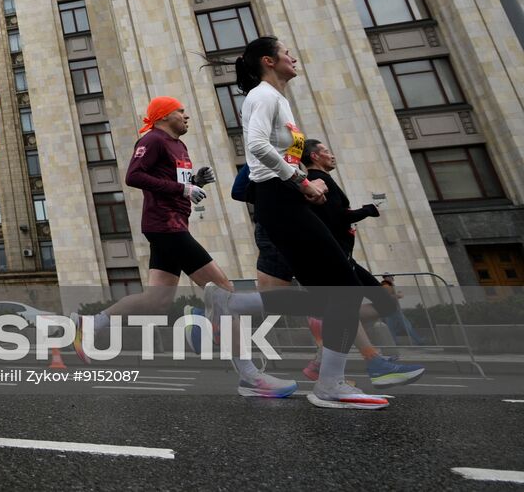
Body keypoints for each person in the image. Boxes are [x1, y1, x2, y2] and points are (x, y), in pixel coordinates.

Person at [203, 37, 388, 410]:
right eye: (287, 52)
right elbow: (255, 146)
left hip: (286, 199)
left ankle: (233, 304)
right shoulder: (263, 95)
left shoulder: (278, 98)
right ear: (269, 61)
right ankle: (330, 385)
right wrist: (301, 180)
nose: (294, 56)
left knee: (328, 297)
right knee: (346, 292)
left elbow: (274, 150)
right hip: (278, 200)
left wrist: (304, 184)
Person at [69, 97, 297, 399]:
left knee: (156, 302)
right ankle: (250, 376)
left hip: (175, 224)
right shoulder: (152, 139)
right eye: (180, 111)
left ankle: (90, 324)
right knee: (225, 292)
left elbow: (172, 181)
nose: (186, 115)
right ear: (164, 116)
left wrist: (194, 180)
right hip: (165, 226)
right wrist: (182, 188)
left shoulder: (178, 146)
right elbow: (133, 176)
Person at [299, 139, 424, 387]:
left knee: (383, 302)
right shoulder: (316, 180)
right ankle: (371, 362)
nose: (331, 155)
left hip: (344, 257)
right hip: (336, 258)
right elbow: (336, 218)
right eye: (326, 151)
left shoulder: (321, 180)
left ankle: (329, 346)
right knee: (364, 303)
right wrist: (367, 210)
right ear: (314, 156)